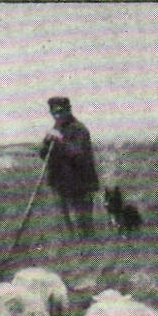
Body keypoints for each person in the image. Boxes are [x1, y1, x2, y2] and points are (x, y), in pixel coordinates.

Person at [38, 96, 100, 237]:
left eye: (61, 112)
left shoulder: (79, 129)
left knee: (83, 227)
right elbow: (43, 155)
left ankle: (88, 255)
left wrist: (60, 140)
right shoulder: (56, 128)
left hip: (79, 186)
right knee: (65, 229)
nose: (57, 115)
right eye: (54, 113)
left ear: (68, 110)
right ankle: (73, 256)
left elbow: (78, 154)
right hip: (59, 186)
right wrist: (47, 142)